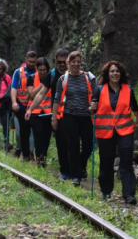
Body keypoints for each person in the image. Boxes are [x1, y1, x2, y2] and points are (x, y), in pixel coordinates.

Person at [89, 61, 138, 204]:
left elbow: (135, 107)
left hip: (125, 130)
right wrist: (91, 108)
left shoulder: (128, 89)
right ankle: (106, 192)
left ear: (121, 73)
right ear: (107, 74)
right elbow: (92, 110)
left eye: (117, 71)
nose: (115, 73)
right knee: (106, 162)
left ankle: (129, 194)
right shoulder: (100, 90)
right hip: (105, 131)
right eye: (112, 71)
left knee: (126, 160)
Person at [25, 48, 71, 179]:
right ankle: (65, 171)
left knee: (75, 143)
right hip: (56, 114)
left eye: (65, 62)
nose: (62, 64)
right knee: (60, 142)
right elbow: (39, 94)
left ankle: (77, 168)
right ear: (56, 61)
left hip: (73, 113)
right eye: (60, 62)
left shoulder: (78, 74)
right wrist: (30, 109)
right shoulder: (51, 75)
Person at [52, 51, 96, 186]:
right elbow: (57, 99)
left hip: (86, 115)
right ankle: (75, 175)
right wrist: (54, 118)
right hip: (69, 115)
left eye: (78, 61)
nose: (76, 64)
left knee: (88, 145)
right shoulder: (63, 80)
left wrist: (94, 105)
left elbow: (96, 95)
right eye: (73, 62)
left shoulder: (89, 77)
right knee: (73, 145)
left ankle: (81, 165)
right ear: (68, 63)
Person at [11, 51, 37, 161]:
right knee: (23, 131)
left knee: (32, 131)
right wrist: (14, 102)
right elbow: (14, 88)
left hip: (34, 106)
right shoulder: (18, 72)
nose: (31, 64)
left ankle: (31, 152)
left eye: (34, 62)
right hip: (21, 106)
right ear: (26, 59)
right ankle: (25, 154)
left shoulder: (38, 71)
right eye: (30, 61)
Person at [26, 57, 52, 166]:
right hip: (34, 112)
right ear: (37, 69)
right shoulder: (31, 78)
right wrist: (43, 83)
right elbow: (32, 94)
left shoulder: (52, 78)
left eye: (44, 70)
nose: (42, 72)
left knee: (47, 135)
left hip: (48, 111)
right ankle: (39, 156)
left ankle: (43, 155)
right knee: (38, 134)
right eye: (40, 70)